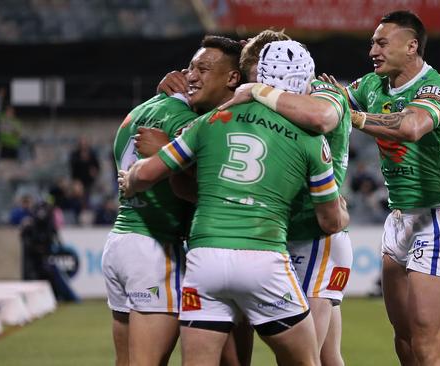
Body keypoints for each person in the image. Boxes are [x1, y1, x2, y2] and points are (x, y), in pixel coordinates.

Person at [118, 39, 349, 366]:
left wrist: (130, 178)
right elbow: (330, 221)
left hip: (205, 259)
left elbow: (146, 174)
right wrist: (342, 211)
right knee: (308, 360)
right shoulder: (310, 137)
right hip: (264, 257)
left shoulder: (211, 121)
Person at [323, 10, 440, 365]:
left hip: (437, 221)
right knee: (403, 338)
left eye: (381, 42)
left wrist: (356, 116)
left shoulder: (434, 88)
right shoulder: (373, 85)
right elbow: (335, 100)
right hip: (399, 218)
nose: (372, 50)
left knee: (427, 344)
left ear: (411, 46)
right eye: (372, 42)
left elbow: (411, 126)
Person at [101, 35, 242, 366]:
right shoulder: (187, 123)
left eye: (203, 68)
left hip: (121, 240)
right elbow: (213, 188)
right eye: (192, 67)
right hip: (155, 246)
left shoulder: (143, 109)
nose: (193, 75)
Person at [217, 30, 353, 365]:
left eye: (262, 80)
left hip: (315, 236)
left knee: (301, 357)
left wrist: (256, 91)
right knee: (325, 355)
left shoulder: (323, 93)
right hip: (289, 236)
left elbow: (321, 117)